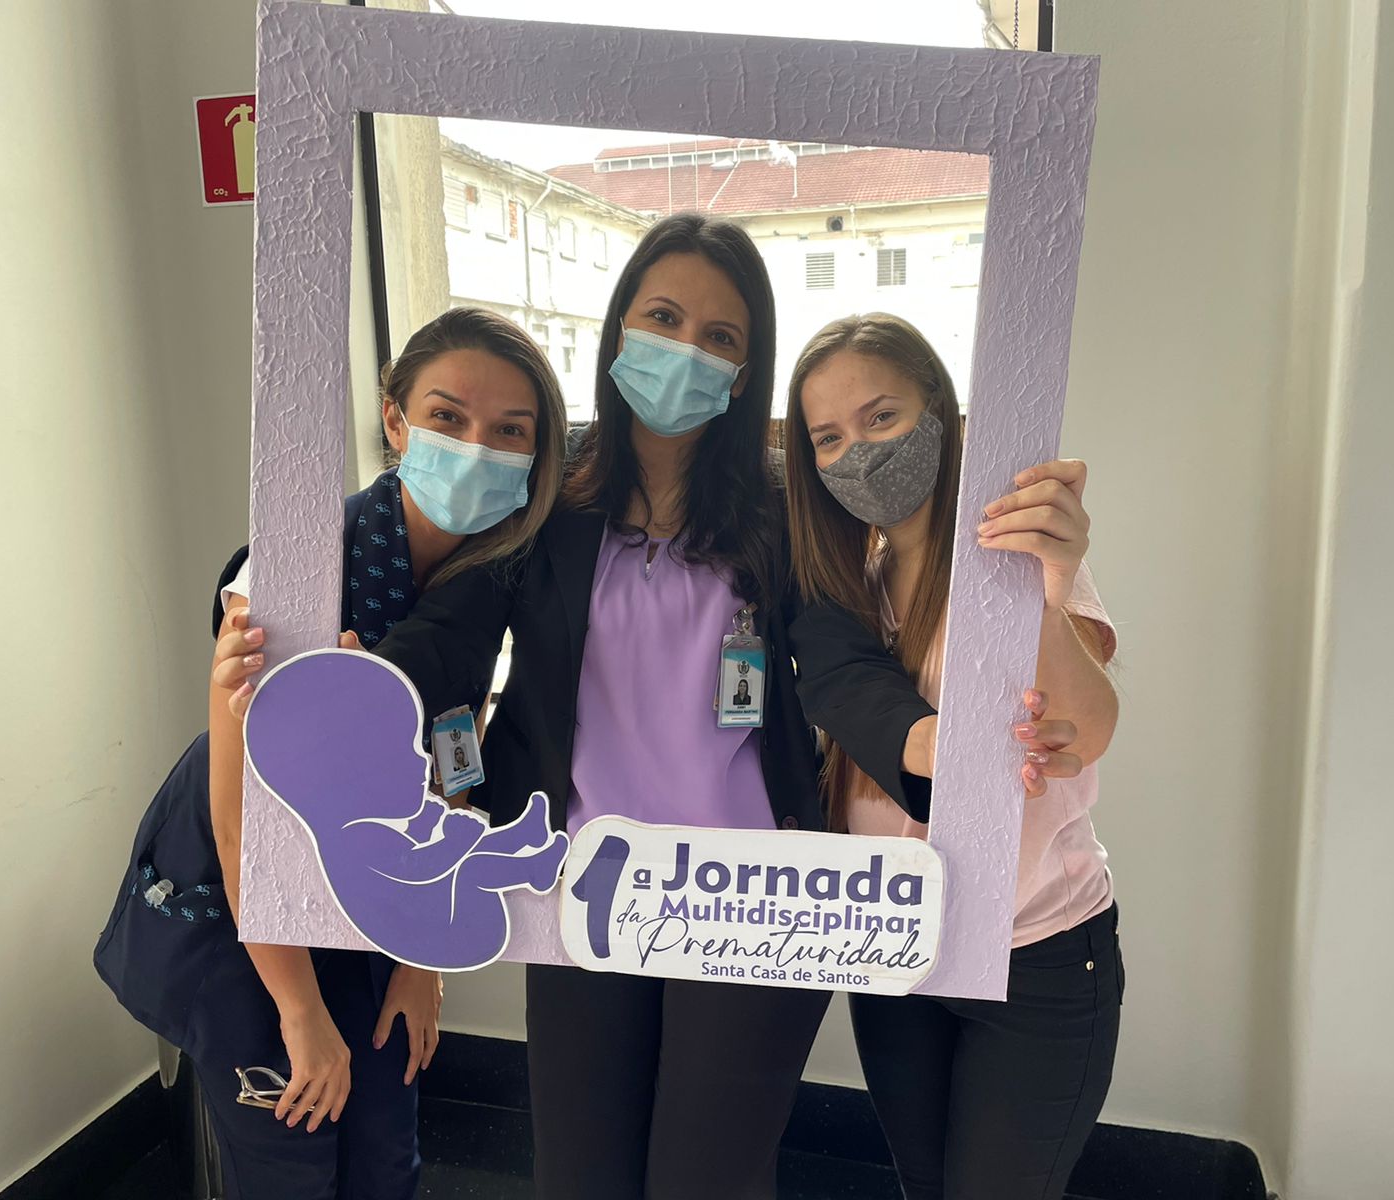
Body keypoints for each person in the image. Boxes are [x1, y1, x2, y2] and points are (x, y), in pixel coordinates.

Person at [346, 214, 927, 1200]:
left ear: (743, 374)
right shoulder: (551, 492)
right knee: (581, 1177)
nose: (685, 349)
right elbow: (453, 632)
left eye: (719, 335)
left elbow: (837, 659)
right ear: (619, 328)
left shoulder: (780, 507)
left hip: (747, 891)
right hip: (587, 883)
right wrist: (356, 692)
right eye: (663, 318)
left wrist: (921, 742)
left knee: (706, 1181)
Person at [95, 306, 567, 1200]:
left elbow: (454, 762)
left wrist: (422, 962)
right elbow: (239, 825)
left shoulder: (489, 582)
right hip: (250, 914)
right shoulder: (291, 570)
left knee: (385, 1154)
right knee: (292, 1156)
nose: (477, 448)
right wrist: (300, 1010)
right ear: (395, 419)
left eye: (511, 431)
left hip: (373, 891)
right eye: (447, 416)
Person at [784, 313, 1123, 1200]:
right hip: (897, 942)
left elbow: (1088, 726)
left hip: (1033, 953)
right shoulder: (848, 592)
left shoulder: (1019, 562)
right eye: (829, 437)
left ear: (938, 411)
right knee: (922, 1183)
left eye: (882, 417)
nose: (858, 453)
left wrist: (1041, 584)